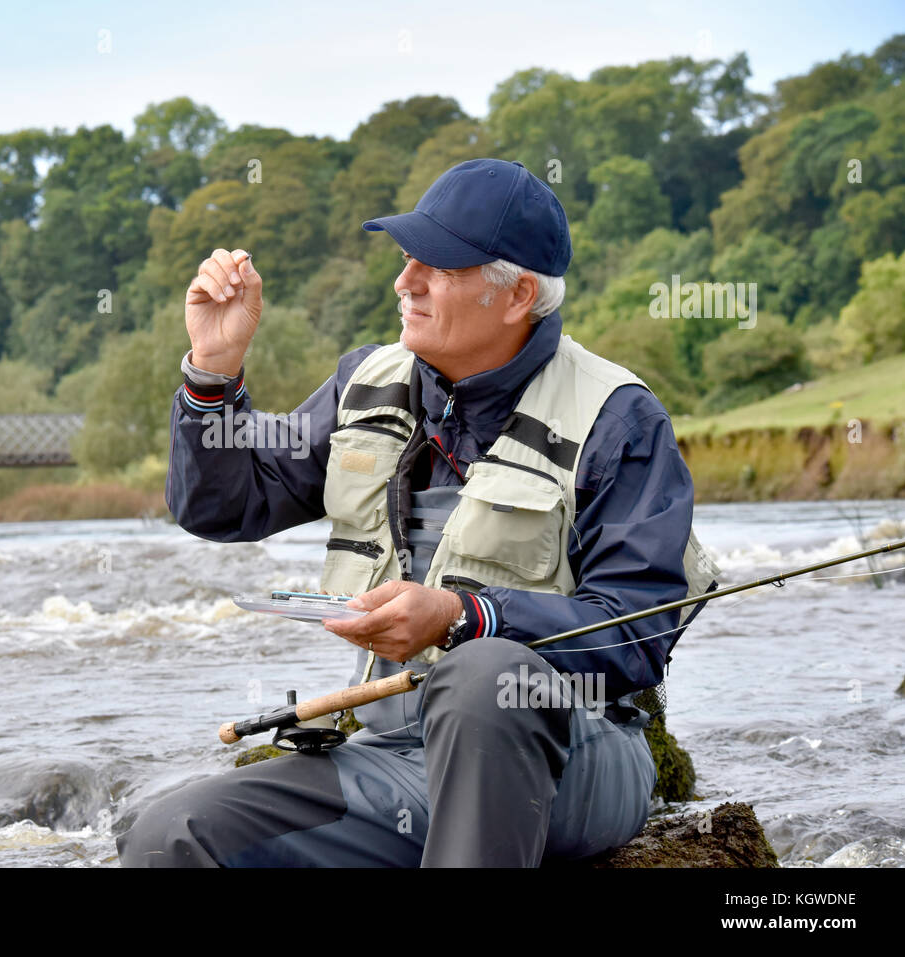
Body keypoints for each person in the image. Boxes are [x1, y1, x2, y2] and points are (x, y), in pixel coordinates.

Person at [117, 158, 717, 867]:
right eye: (407, 260)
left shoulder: (620, 419)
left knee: (483, 676)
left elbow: (635, 633)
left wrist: (467, 616)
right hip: (395, 756)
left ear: (518, 292)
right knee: (169, 834)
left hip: (574, 760)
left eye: (437, 267)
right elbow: (222, 504)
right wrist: (212, 373)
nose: (405, 282)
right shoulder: (363, 383)